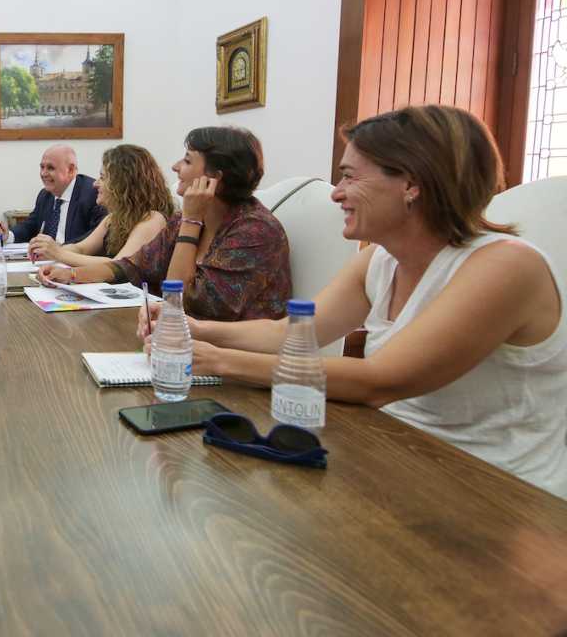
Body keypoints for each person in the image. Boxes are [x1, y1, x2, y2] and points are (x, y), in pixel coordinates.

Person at [139, 106, 565, 497]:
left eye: (350, 177)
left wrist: (211, 360)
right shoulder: (380, 260)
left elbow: (380, 379)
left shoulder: (506, 266)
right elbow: (284, 334)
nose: (336, 193)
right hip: (399, 460)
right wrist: (193, 328)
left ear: (412, 184)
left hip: (498, 493)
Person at [41, 126, 290, 322]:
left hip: (233, 371)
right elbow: (132, 266)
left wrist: (192, 220)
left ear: (214, 178)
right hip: (182, 345)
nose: (175, 166)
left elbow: (183, 301)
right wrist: (70, 275)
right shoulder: (183, 219)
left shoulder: (255, 231)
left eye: (188, 161)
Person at [28, 143, 172, 267]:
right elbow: (81, 249)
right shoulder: (113, 218)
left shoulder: (152, 219)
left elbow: (120, 265)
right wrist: (47, 250)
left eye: (102, 178)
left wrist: (58, 253)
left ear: (123, 184)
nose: (96, 183)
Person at [0, 144, 106, 246]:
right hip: (48, 262)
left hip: (77, 263)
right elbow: (30, 226)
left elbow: (94, 238)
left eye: (50, 168)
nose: (43, 173)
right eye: (42, 167)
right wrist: (7, 235)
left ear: (71, 170)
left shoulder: (92, 194)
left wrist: (58, 249)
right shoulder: (45, 195)